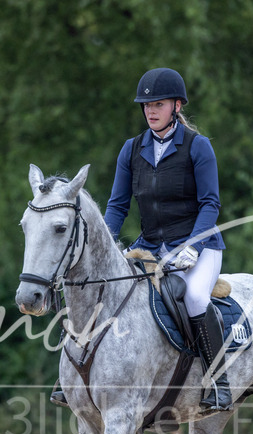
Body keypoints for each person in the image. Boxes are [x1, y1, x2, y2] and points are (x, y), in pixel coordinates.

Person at [51, 67, 232, 411]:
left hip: (199, 246)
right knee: (99, 290)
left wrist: (192, 247)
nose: (150, 110)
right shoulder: (132, 149)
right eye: (146, 105)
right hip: (149, 247)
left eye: (158, 104)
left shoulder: (198, 147)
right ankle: (68, 378)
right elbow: (117, 206)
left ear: (177, 106)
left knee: (193, 297)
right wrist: (98, 246)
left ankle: (217, 382)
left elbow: (211, 204)